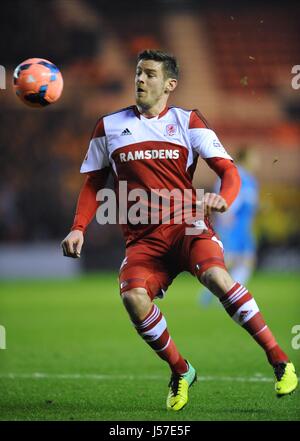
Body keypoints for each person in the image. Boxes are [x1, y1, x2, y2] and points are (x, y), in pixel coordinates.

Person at [61, 49, 298, 411]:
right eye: (138, 73)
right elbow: (94, 183)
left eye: (150, 75)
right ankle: (181, 370)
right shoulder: (108, 126)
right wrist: (78, 228)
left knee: (219, 278)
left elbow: (229, 171)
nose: (140, 80)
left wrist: (224, 199)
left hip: (188, 226)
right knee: (132, 299)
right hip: (142, 240)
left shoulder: (189, 122)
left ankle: (280, 361)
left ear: (170, 84)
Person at [200, 147, 259, 307]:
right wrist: (224, 220)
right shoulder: (233, 175)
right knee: (228, 262)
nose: (257, 161)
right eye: (254, 157)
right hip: (231, 227)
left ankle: (230, 295)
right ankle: (211, 296)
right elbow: (225, 200)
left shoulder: (250, 179)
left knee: (246, 261)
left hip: (244, 228)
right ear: (245, 158)